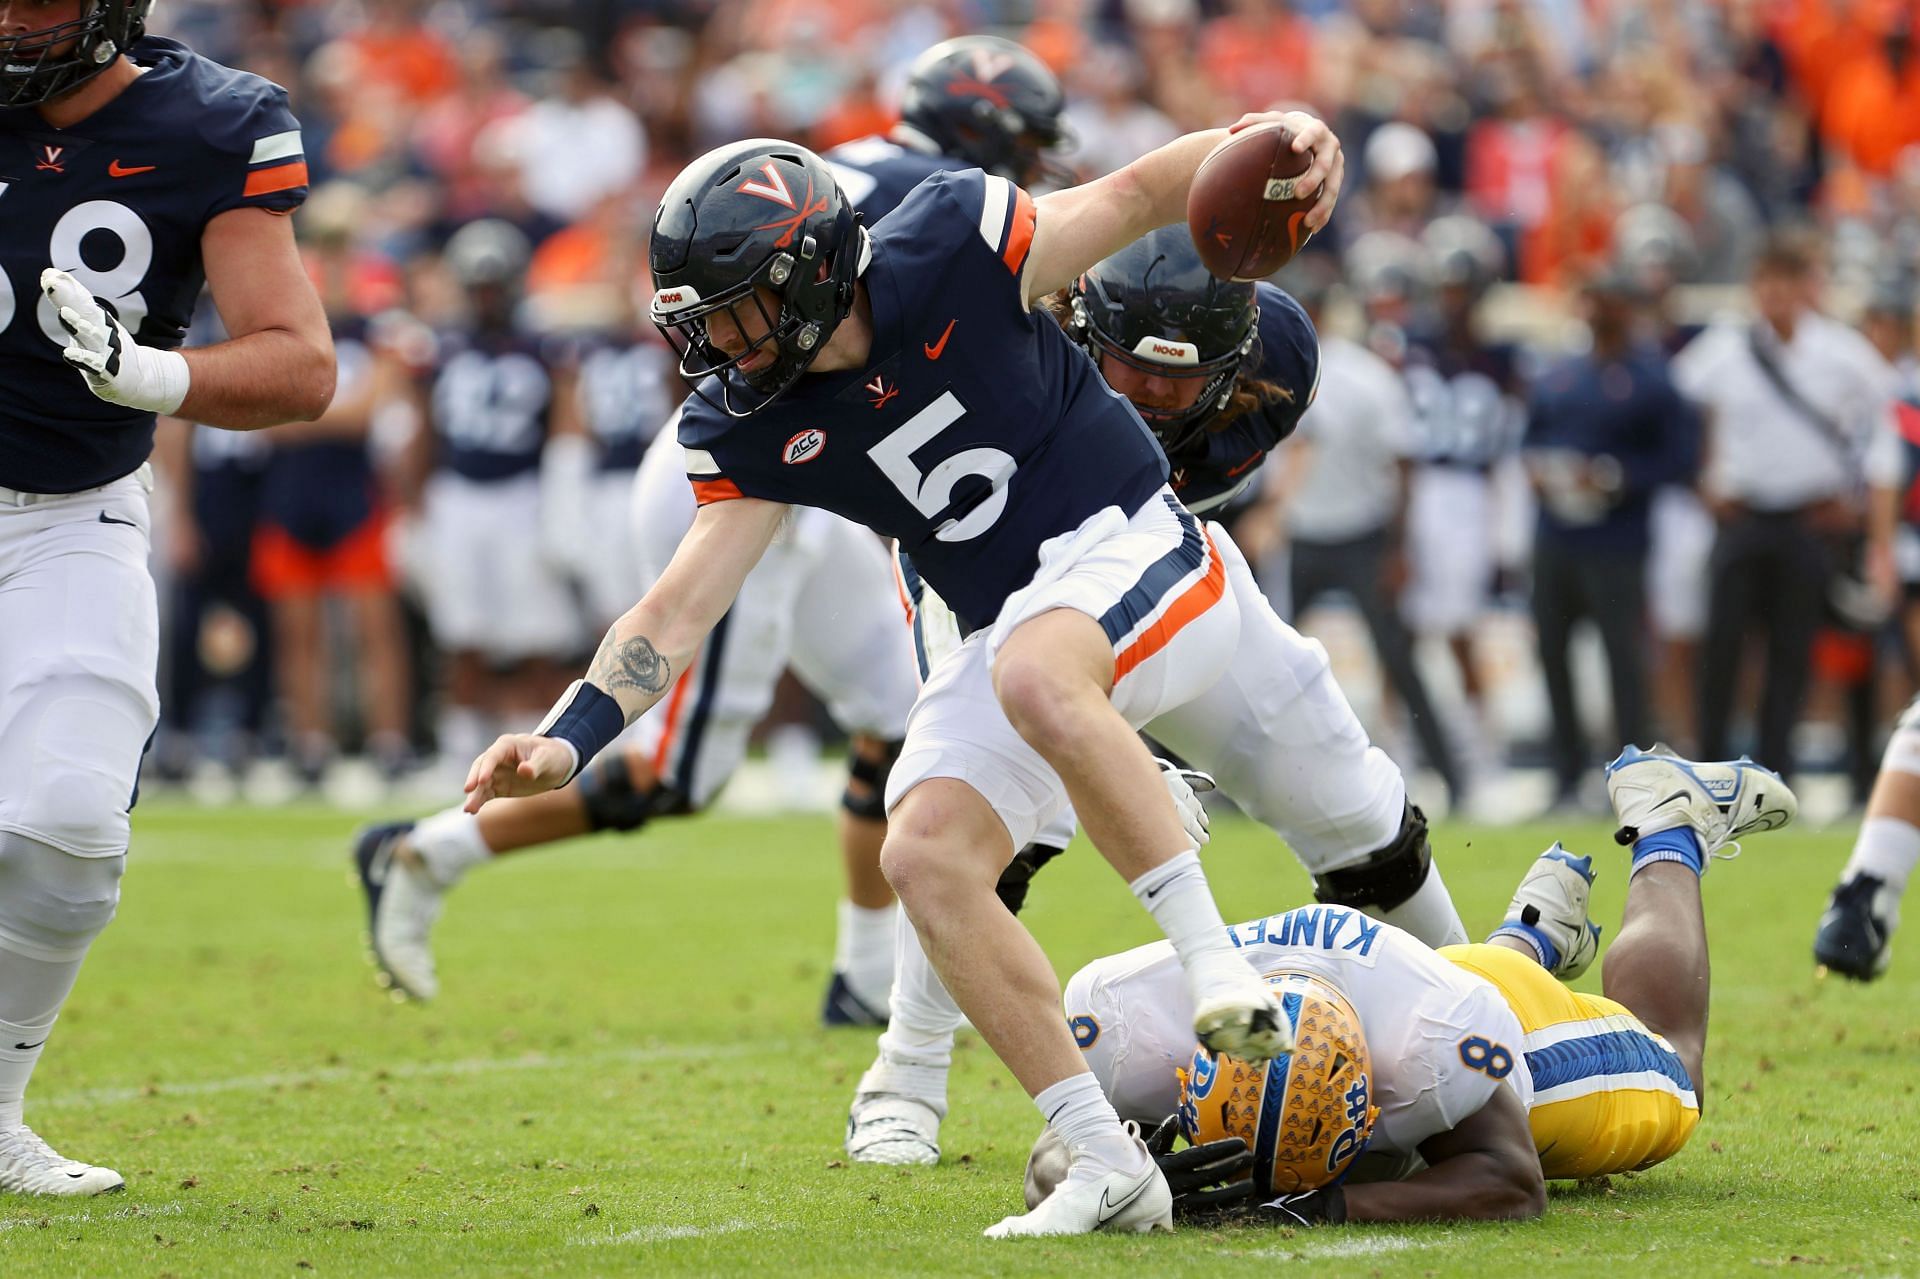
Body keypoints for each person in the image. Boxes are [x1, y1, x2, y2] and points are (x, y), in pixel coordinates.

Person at [461, 115, 1348, 1236]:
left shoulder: (953, 244)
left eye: (735, 313)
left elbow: (1135, 194)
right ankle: (1101, 1162)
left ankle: (1218, 968)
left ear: (812, 270)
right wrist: (570, 735)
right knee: (921, 853)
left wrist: (1273, 140)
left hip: (1133, 546)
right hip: (1006, 628)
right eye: (703, 324)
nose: (722, 348)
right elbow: (677, 606)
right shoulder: (747, 418)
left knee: (1037, 669)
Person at [351, 37, 1070, 1018]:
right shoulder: (949, 201)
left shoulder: (857, 167)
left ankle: (863, 977)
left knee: (899, 715)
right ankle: (422, 849)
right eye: (1028, 145)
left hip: (807, 488)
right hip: (750, 483)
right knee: (678, 777)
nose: (1035, 167)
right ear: (995, 135)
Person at [846, 228, 1469, 1172]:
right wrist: (1116, 751)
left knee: (1356, 810)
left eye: (1177, 383)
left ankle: (1476, 996)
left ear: (1233, 365)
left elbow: (1192, 503)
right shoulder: (1007, 363)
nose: (1147, 396)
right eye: (1126, 370)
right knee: (968, 821)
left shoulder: (1280, 362)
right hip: (998, 595)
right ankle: (906, 1075)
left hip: (1173, 568)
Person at [0, 1, 334, 1194]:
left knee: (73, 828)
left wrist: (149, 373)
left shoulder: (212, 125)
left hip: (65, 518)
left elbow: (300, 363)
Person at [1026, 745, 1796, 1226]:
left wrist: (1326, 1204)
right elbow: (1049, 1158)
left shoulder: (1430, 1047)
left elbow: (1510, 1181)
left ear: (1369, 1084)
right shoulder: (1137, 1022)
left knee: (1676, 1067)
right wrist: (1113, 1168)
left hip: (1496, 1018)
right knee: (1439, 1051)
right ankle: (1530, 931)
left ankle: (1671, 822)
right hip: (1424, 980)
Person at [1670, 231, 1900, 779]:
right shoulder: (1724, 348)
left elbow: (1885, 428)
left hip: (1808, 521)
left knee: (1792, 653)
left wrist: (1862, 504)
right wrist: (1700, 480)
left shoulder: (1841, 353)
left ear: (1807, 287)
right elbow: (1676, 409)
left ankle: (1774, 776)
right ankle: (1709, 770)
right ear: (1755, 287)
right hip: (1742, 517)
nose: (1776, 294)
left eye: (1788, 282)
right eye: (1767, 282)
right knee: (1722, 647)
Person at [1523, 269, 1700, 807]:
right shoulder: (1559, 374)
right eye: (1592, 299)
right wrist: (1543, 474)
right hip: (1556, 537)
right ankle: (1565, 774)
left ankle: (1632, 777)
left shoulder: (1652, 379)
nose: (1598, 310)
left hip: (1617, 540)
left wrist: (1614, 477)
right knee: (1552, 655)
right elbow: (1530, 441)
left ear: (1628, 308)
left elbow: (1679, 460)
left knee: (1623, 659)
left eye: (1609, 300)